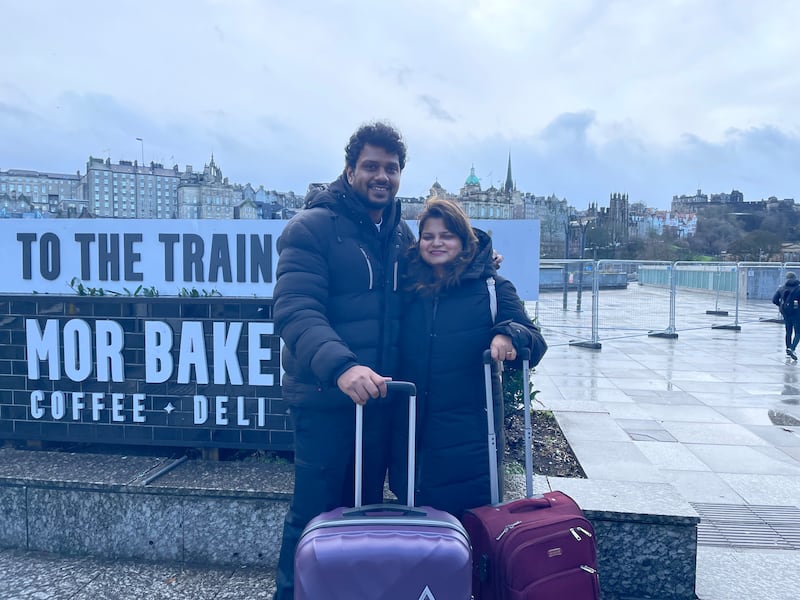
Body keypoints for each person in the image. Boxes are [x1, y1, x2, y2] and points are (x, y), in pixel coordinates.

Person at [271, 121, 414, 600]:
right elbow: (295, 310)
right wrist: (341, 367)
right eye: (371, 166)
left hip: (378, 401)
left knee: (365, 515)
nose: (382, 176)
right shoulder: (311, 228)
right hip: (325, 399)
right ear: (349, 169)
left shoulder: (399, 234)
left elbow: (437, 272)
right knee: (315, 515)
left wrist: (480, 257)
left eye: (391, 169)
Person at [389, 198, 547, 518]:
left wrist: (508, 334)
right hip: (411, 436)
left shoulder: (492, 287)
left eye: (446, 235)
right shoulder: (405, 287)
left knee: (469, 536)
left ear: (463, 241)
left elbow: (534, 341)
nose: (436, 243)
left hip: (469, 441)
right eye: (428, 236)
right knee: (414, 534)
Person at [772, 271, 800, 361]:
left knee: (788, 331)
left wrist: (781, 306)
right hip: (797, 313)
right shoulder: (798, 288)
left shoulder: (782, 288)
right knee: (798, 332)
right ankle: (792, 348)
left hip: (786, 313)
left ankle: (788, 349)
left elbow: (774, 300)